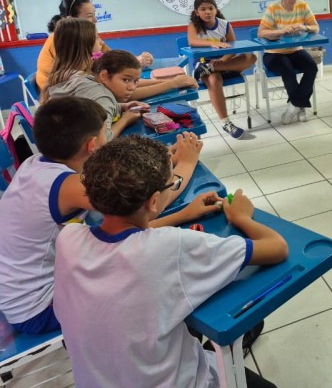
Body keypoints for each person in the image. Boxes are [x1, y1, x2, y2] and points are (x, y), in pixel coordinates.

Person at [54, 135, 289, 388]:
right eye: (171, 185)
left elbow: (124, 235)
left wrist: (184, 215)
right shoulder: (171, 246)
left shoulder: (68, 238)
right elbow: (277, 248)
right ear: (154, 201)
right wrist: (242, 217)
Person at [0, 98, 207, 335]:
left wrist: (164, 164)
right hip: (40, 309)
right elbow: (147, 206)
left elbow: (121, 222)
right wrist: (187, 163)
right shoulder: (68, 187)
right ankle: (192, 339)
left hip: (20, 290)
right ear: (92, 145)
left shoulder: (35, 164)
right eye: (104, 133)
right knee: (158, 274)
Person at [36, 0, 153, 93]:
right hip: (62, 93)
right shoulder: (63, 40)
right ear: (72, 20)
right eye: (89, 16)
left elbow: (109, 56)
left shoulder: (87, 34)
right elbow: (100, 74)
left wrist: (134, 61)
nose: (95, 20)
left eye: (94, 14)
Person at [188, 0, 256, 139]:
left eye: (211, 8)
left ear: (216, 9)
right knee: (213, 80)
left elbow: (233, 47)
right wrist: (211, 43)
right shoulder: (194, 25)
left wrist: (222, 61)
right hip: (203, 63)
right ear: (196, 12)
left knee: (251, 57)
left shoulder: (225, 24)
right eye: (203, 9)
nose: (208, 12)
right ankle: (226, 123)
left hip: (223, 62)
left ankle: (213, 68)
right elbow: (192, 42)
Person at [48, 49, 151, 141]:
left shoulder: (87, 79)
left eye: (136, 81)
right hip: (63, 148)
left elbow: (93, 107)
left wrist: (123, 107)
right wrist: (126, 119)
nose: (132, 87)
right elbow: (101, 141)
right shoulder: (103, 97)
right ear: (104, 76)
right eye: (126, 80)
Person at [257, 0, 320, 124]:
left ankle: (295, 105)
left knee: (312, 67)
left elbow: (316, 28)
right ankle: (301, 105)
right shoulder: (273, 9)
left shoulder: (303, 5)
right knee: (288, 70)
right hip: (274, 54)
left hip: (295, 50)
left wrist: (305, 27)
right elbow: (261, 33)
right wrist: (281, 31)